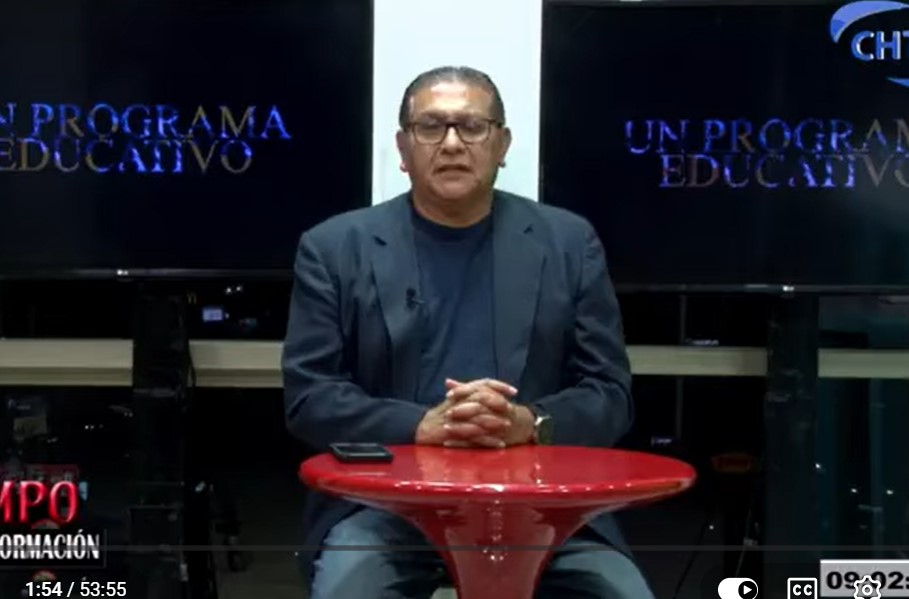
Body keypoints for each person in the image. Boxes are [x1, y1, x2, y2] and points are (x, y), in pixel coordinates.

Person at [282, 65, 654, 599]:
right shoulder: (334, 247)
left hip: (545, 508)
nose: (453, 143)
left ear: (502, 144)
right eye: (431, 126)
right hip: (385, 508)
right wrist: (422, 425)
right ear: (403, 148)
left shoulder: (568, 243)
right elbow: (310, 398)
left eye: (473, 127)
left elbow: (610, 394)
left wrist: (530, 422)